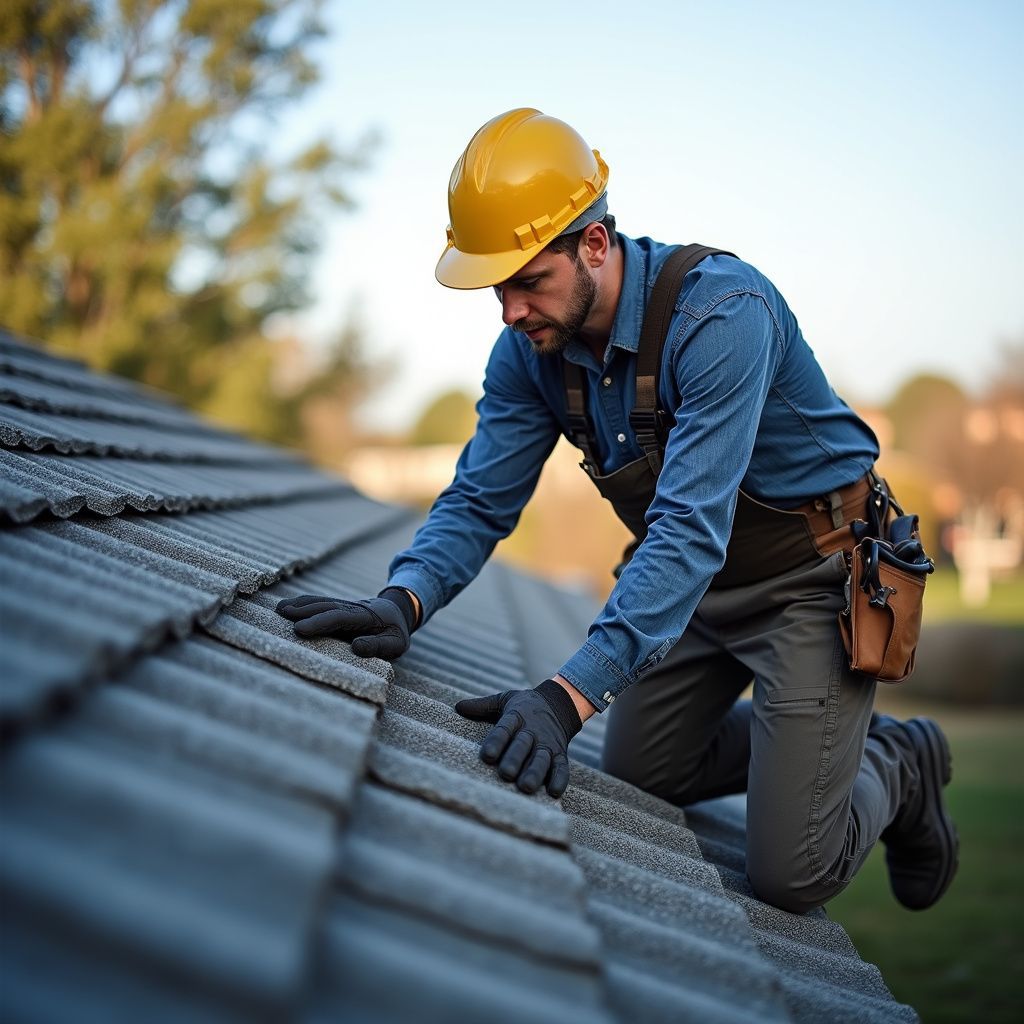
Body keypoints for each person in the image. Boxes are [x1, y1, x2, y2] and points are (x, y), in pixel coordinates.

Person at [277, 108, 958, 915]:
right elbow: (479, 498)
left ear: (593, 245)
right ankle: (818, 746)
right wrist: (404, 598)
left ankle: (900, 762)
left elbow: (687, 529)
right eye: (499, 289)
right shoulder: (530, 355)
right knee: (643, 776)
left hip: (810, 583)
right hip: (696, 592)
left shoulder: (722, 317)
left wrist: (567, 697)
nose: (511, 312)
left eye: (530, 282)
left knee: (792, 874)